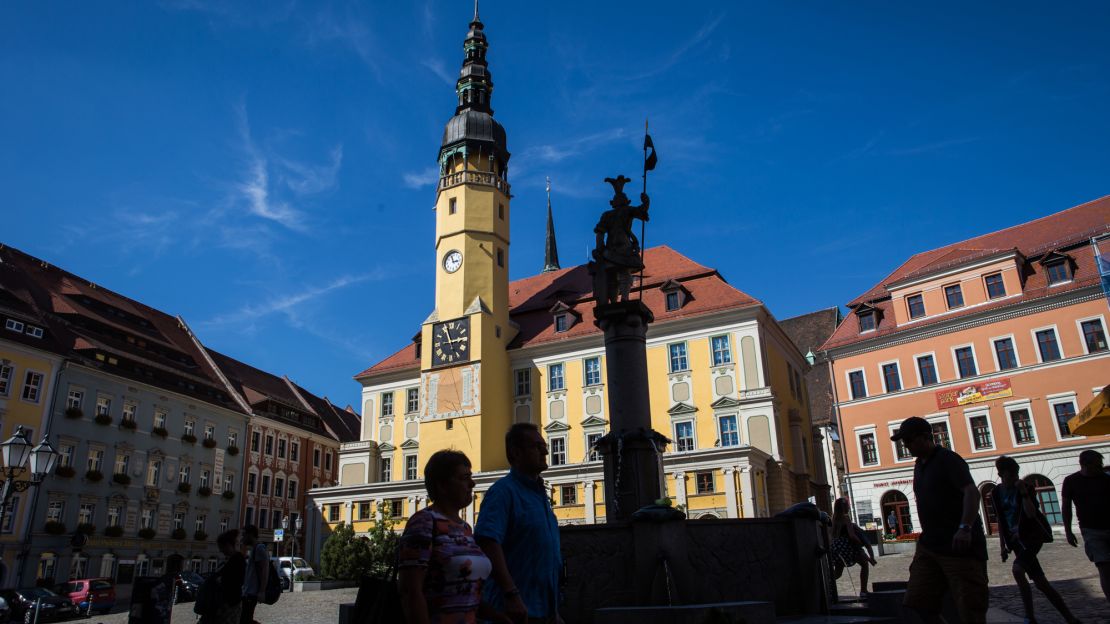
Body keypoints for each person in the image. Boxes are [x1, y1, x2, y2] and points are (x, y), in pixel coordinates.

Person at [892, 416, 988, 623]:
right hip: (930, 546)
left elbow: (971, 492)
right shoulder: (919, 465)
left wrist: (965, 528)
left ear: (925, 437)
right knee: (917, 600)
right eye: (904, 441)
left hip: (959, 548)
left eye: (908, 440)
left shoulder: (948, 459)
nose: (905, 445)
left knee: (970, 608)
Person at [398, 450, 509, 624]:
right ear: (442, 485)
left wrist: (497, 617)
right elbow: (410, 591)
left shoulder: (465, 528)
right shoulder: (424, 522)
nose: (472, 483)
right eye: (464, 478)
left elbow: (467, 594)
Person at [475, 423, 563, 624]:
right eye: (536, 446)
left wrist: (554, 610)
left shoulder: (539, 495)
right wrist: (511, 594)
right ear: (516, 453)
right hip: (513, 613)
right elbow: (488, 542)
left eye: (544, 445)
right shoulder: (503, 492)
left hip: (541, 611)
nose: (546, 450)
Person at [991, 456, 1081, 623]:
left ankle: (1029, 616)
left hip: (1032, 538)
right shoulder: (996, 493)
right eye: (1010, 475)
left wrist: (1024, 493)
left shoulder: (1026, 488)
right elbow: (1001, 520)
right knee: (1041, 583)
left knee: (1018, 570)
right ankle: (1070, 618)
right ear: (1001, 474)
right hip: (1016, 542)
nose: (1014, 478)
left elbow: (1031, 514)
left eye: (1016, 474)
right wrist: (1003, 546)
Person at [1062, 449, 1110, 603]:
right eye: (1097, 465)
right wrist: (1068, 531)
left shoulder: (1106, 479)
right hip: (1091, 530)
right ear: (1085, 465)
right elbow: (1066, 507)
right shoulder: (1071, 481)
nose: (1100, 467)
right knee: (1104, 568)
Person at [830, 497, 877, 597]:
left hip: (836, 547)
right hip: (846, 547)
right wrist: (859, 541)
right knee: (864, 564)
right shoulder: (845, 517)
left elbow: (833, 534)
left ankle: (826, 585)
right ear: (844, 507)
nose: (849, 507)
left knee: (838, 573)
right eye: (847, 505)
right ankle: (863, 591)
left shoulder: (834, 518)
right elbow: (851, 535)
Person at [200, 530, 247, 624]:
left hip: (231, 603)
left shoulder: (237, 559)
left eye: (221, 547)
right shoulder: (230, 560)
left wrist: (221, 580)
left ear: (229, 545)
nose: (220, 550)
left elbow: (237, 580)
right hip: (225, 603)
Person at [240, 524, 269, 624]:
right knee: (245, 619)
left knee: (245, 620)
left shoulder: (259, 548)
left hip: (251, 593)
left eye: (244, 535)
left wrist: (262, 591)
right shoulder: (254, 549)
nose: (242, 537)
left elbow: (264, 570)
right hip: (248, 592)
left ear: (250, 534)